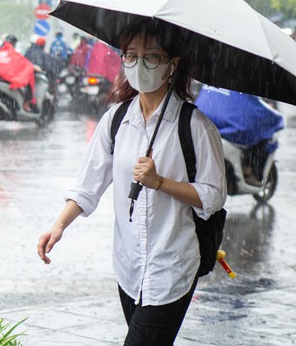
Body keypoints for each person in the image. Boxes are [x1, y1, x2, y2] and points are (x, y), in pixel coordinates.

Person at [37, 19, 227, 345]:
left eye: (152, 57)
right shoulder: (116, 119)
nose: (140, 65)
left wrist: (160, 181)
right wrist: (59, 226)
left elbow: (213, 196)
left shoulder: (195, 126)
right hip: (128, 265)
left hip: (172, 266)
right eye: (131, 55)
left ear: (172, 65)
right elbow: (89, 183)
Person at [195, 86, 284, 186]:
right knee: (259, 139)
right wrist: (276, 117)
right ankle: (249, 170)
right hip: (228, 127)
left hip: (209, 121)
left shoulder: (214, 83)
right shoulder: (241, 89)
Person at [0, 34, 37, 112]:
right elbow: (22, 61)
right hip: (8, 75)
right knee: (27, 82)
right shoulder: (11, 51)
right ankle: (26, 105)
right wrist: (31, 67)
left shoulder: (1, 50)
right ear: (13, 43)